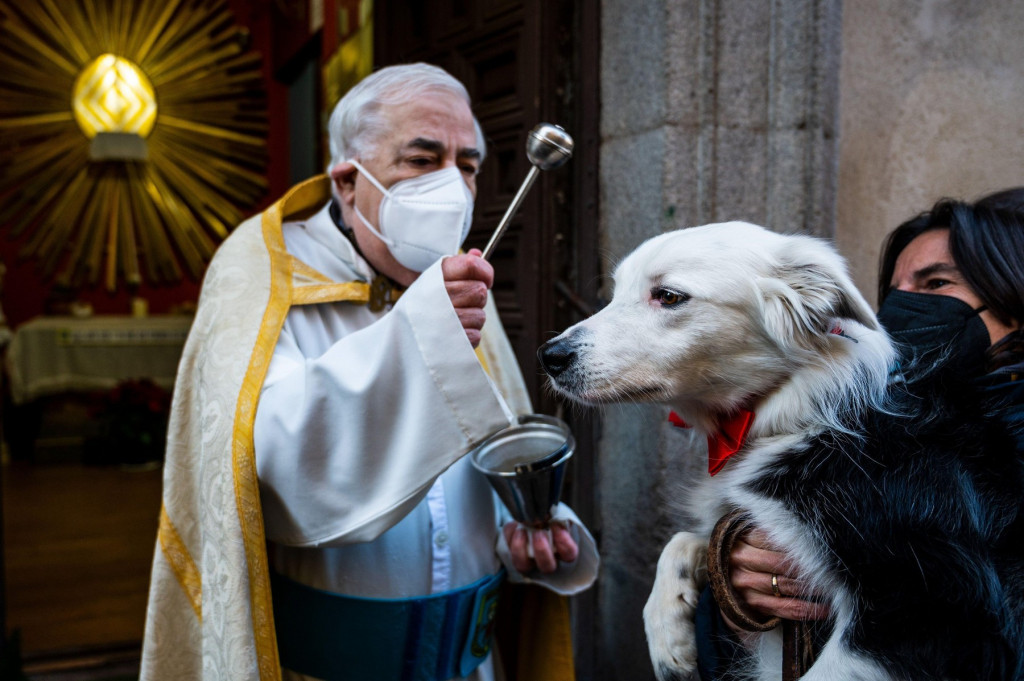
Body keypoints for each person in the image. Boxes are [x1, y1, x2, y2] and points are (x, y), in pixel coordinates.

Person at [140, 63, 598, 681]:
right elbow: (270, 479)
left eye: (467, 164)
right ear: (349, 183)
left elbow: (486, 459)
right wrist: (419, 339)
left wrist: (528, 538)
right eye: (421, 158)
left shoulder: (457, 282)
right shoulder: (262, 278)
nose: (453, 188)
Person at [693, 187, 1024, 680]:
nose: (901, 310)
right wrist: (734, 584)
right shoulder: (868, 435)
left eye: (936, 283)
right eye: (893, 292)